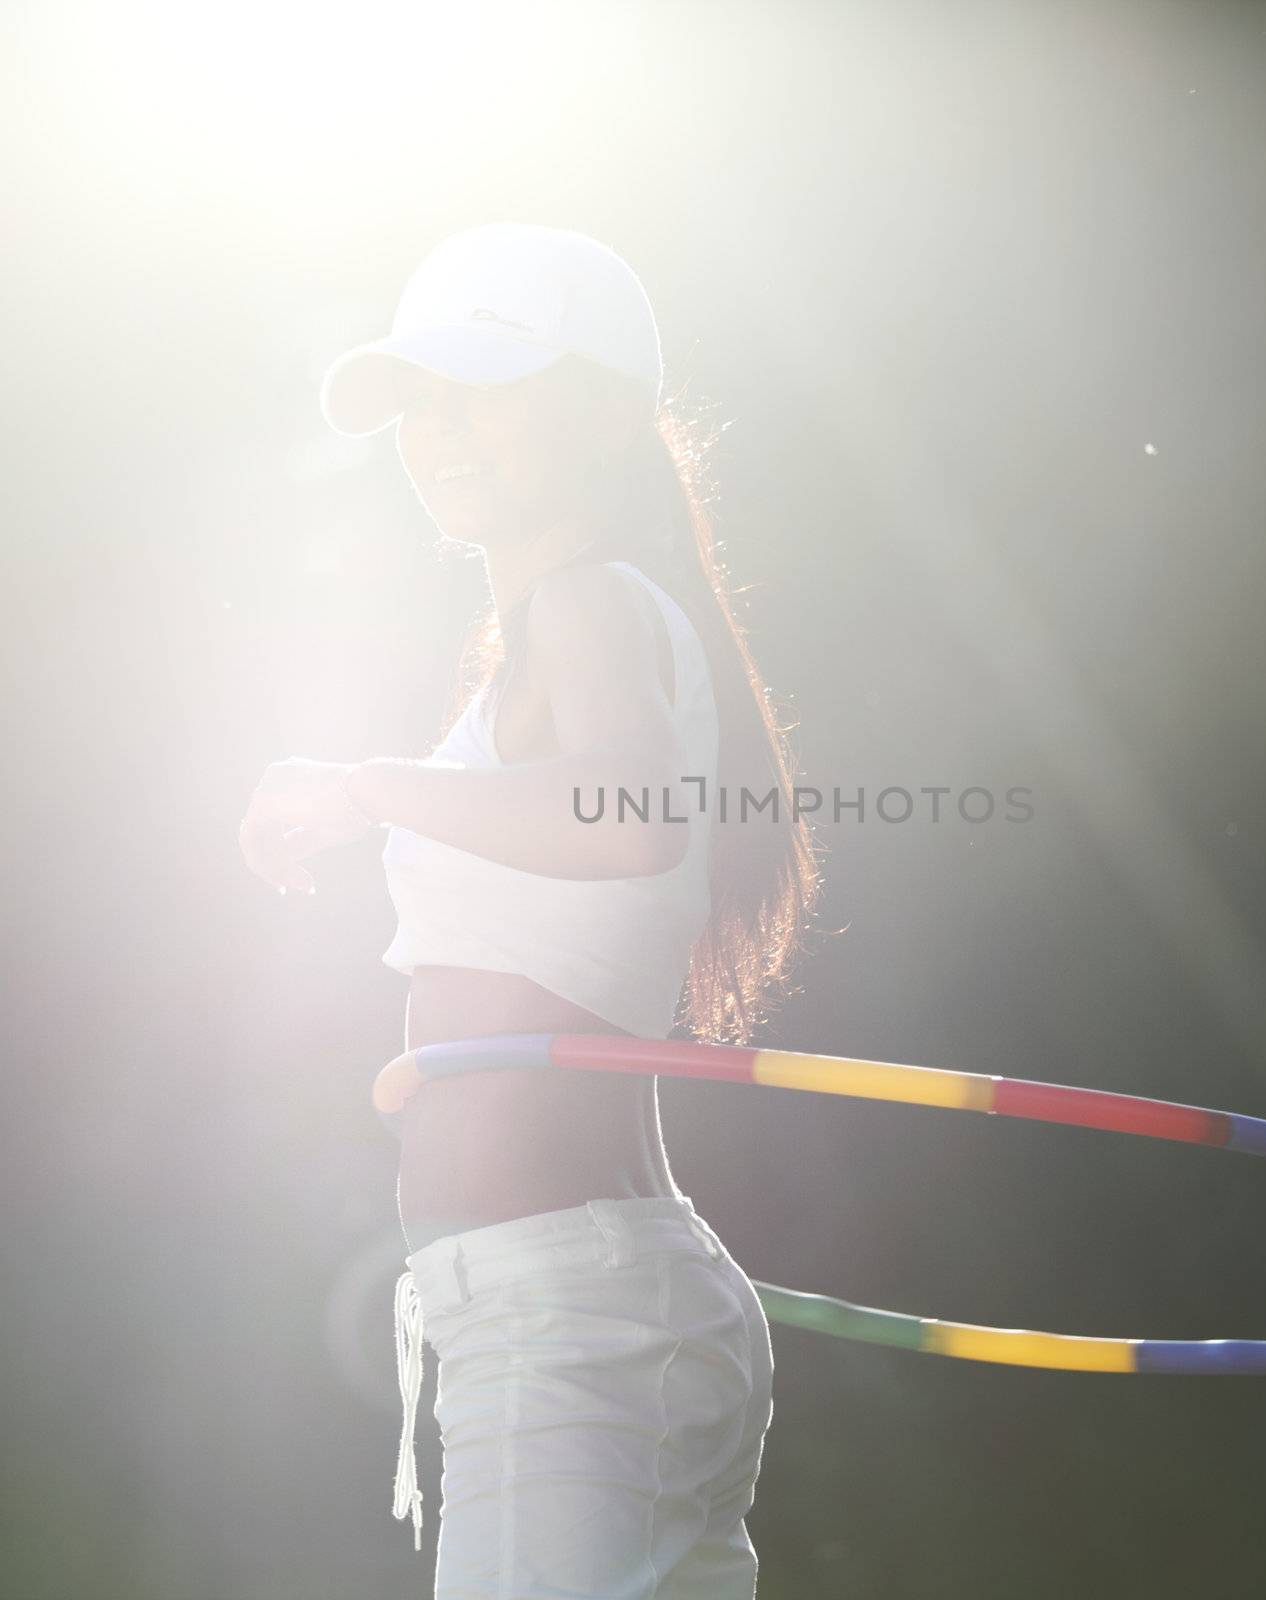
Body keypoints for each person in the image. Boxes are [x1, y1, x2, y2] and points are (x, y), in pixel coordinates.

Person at [237, 222, 822, 1599]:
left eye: (484, 388)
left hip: (565, 1319)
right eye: (421, 402)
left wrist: (368, 786)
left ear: (605, 411)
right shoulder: (592, 616)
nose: (441, 431)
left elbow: (626, 821)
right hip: (624, 1298)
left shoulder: (583, 603)